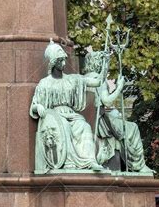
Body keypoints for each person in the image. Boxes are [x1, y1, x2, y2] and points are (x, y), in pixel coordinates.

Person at [30, 41, 109, 173]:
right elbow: (34, 105)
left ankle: (90, 161)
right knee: (65, 128)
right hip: (56, 117)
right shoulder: (45, 83)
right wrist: (38, 107)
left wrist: (105, 64)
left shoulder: (72, 79)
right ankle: (68, 163)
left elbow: (98, 81)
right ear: (53, 62)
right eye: (60, 61)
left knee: (84, 126)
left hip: (72, 115)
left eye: (64, 60)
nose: (64, 64)